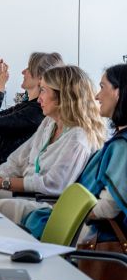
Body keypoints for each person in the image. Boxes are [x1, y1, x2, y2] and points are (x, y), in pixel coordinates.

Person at [0, 65, 106, 223]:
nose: (39, 98)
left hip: (43, 203)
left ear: (62, 97)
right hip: (23, 193)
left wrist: (2, 182)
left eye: (43, 90)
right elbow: (17, 160)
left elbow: (52, 186)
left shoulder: (78, 138)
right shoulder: (49, 123)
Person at [22, 64, 127, 242]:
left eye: (102, 87)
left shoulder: (122, 145)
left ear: (119, 92)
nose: (96, 96)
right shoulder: (119, 140)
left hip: (92, 233)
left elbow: (108, 208)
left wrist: (67, 215)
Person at [0, 52, 64, 176]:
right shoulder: (27, 106)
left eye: (29, 69)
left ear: (41, 78)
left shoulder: (35, 113)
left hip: (2, 179)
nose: (23, 72)